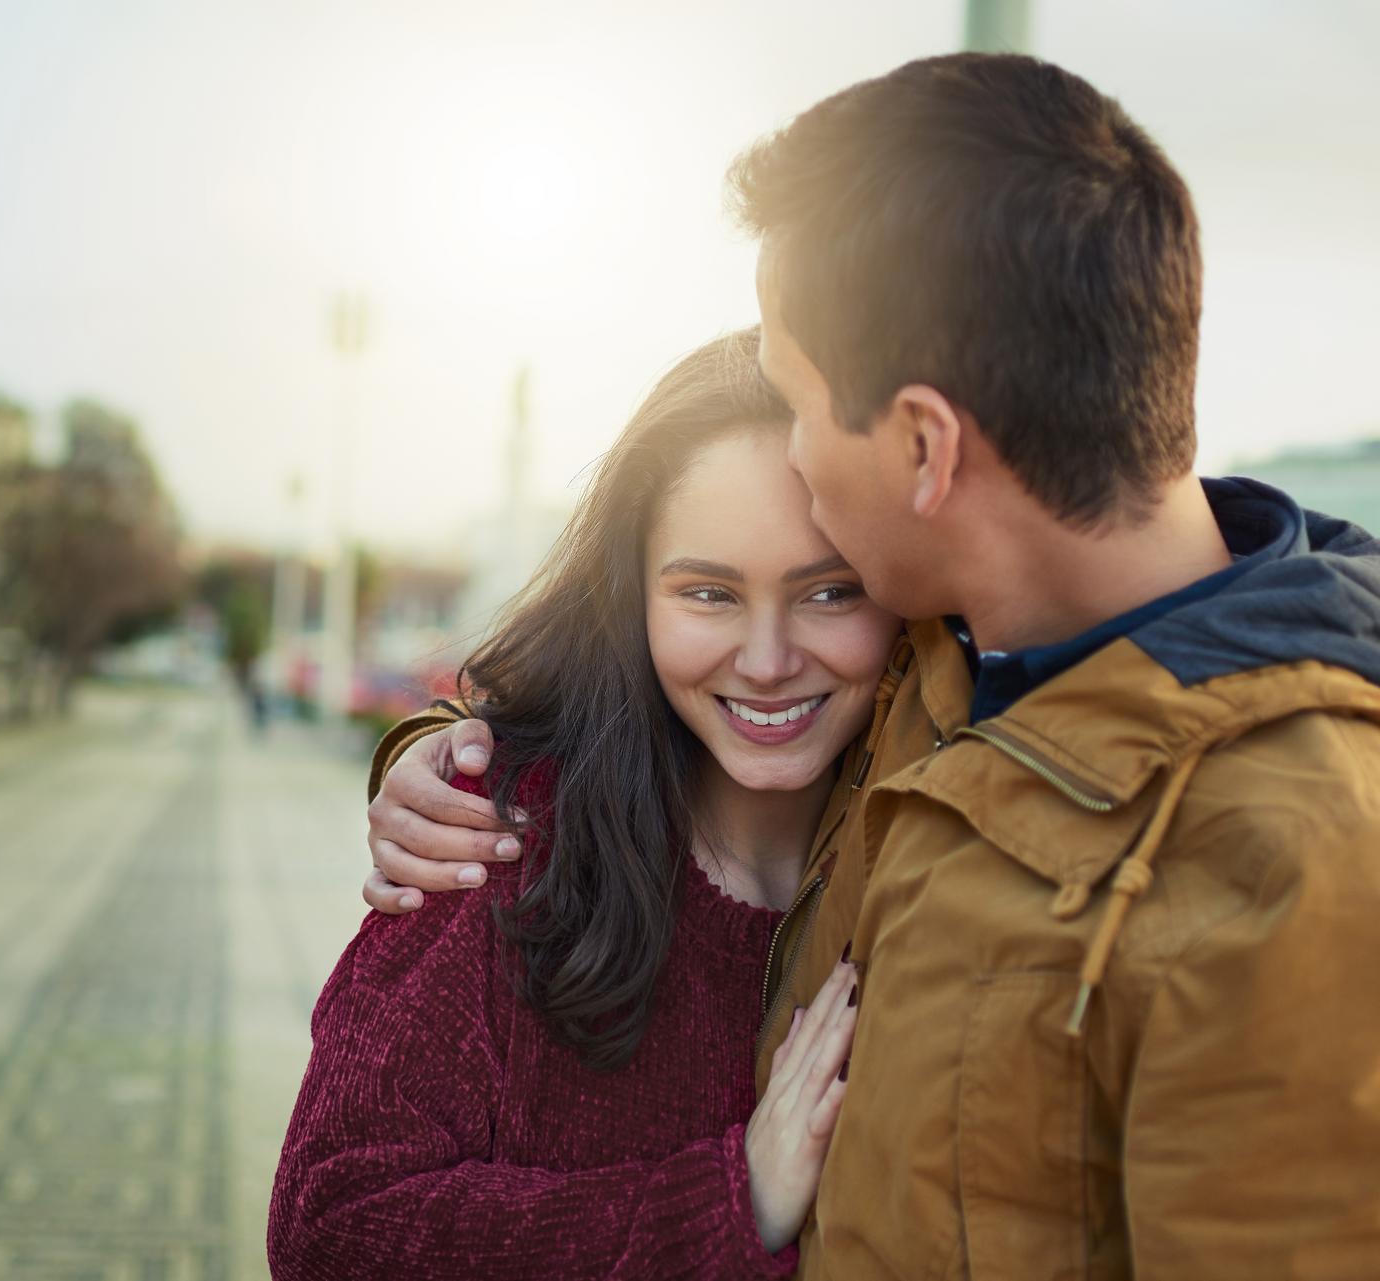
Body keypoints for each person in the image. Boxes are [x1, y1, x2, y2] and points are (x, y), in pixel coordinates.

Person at [360, 53, 1380, 1278]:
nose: (791, 454)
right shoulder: (933, 659)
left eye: (797, 401)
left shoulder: (1303, 881)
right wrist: (447, 759)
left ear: (922, 446)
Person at [268, 330, 899, 1279]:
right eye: (709, 593)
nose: (768, 661)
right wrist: (729, 1204)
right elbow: (334, 1228)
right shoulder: (500, 839)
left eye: (830, 590)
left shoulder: (934, 847)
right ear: (632, 594)